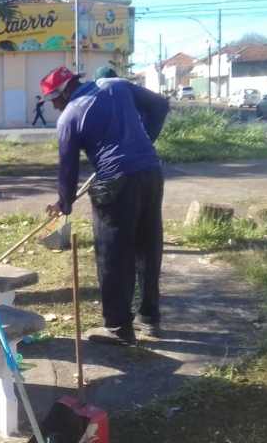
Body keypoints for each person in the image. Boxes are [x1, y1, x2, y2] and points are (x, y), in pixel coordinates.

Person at [40, 66, 169, 346]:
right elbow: (160, 105)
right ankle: (149, 316)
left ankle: (118, 327)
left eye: (54, 100)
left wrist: (64, 202)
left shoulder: (69, 118)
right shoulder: (115, 85)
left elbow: (68, 169)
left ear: (65, 92)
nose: (55, 106)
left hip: (116, 184)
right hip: (150, 171)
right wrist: (144, 141)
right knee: (148, 246)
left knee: (113, 254)